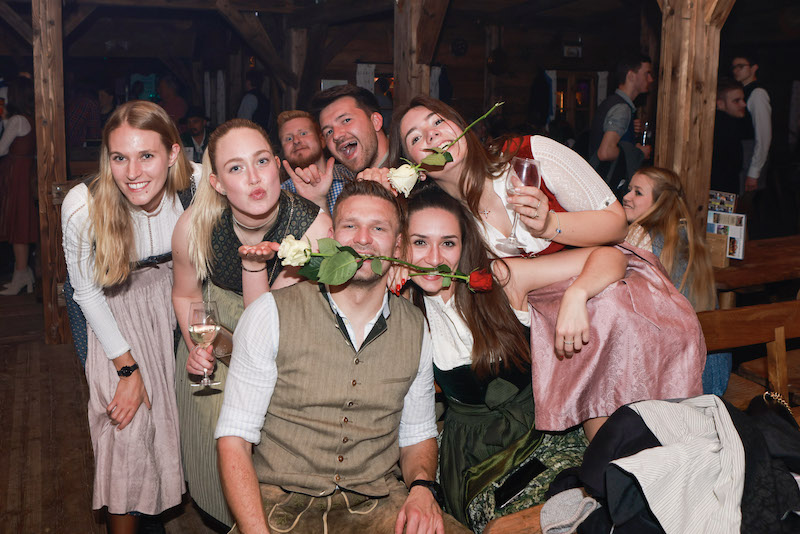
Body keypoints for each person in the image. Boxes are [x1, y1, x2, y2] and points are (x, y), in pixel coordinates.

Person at [404, 186, 706, 531]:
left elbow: (611, 257)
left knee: (618, 496)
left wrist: (577, 294)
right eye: (419, 242)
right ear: (401, 247)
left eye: (447, 243)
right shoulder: (405, 306)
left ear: (464, 245)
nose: (434, 258)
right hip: (481, 459)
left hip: (548, 434)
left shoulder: (500, 278)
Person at [214, 180, 471, 534]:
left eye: (378, 228)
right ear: (333, 237)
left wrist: (422, 489)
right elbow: (234, 439)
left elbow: (417, 434)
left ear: (397, 245)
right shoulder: (270, 314)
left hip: (378, 503)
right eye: (351, 226)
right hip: (278, 504)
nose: (363, 239)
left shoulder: (415, 328)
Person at [171, 118, 331, 526]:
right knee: (216, 429)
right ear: (218, 184)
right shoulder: (194, 226)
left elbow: (263, 323)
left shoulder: (313, 228)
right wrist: (198, 347)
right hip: (216, 327)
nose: (254, 177)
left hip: (286, 335)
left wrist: (254, 267)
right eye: (236, 167)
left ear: (278, 165)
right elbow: (187, 295)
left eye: (261, 161)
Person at [61, 101, 195, 533]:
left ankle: (154, 515)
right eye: (120, 158)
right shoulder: (84, 204)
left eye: (146, 155)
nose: (133, 172)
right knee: (127, 430)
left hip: (171, 302)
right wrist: (127, 368)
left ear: (172, 154)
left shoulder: (196, 187)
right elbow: (85, 292)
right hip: (109, 308)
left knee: (169, 421)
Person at [387, 95, 628, 259]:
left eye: (438, 121)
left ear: (461, 127)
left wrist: (549, 225)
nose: (431, 134)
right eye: (415, 138)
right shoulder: (440, 224)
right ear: (417, 171)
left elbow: (618, 226)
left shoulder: (531, 153)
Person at [623, 166, 731, 395]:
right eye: (629, 189)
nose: (626, 196)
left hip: (681, 383)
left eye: (637, 192)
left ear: (660, 202)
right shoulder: (691, 238)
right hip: (715, 374)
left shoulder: (640, 237)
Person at [587, 53, 654, 198]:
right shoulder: (622, 109)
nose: (651, 79)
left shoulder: (612, 102)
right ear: (631, 76)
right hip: (605, 191)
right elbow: (605, 152)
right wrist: (638, 152)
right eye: (647, 73)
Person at [0, 76, 38, 296]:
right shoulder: (30, 117)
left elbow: (2, 149)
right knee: (20, 223)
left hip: (17, 174)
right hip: (23, 173)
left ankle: (21, 274)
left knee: (18, 225)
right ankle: (22, 273)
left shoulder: (17, 119)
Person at [277, 109, 354, 213]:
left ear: (322, 140)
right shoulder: (279, 197)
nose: (296, 141)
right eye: (288, 139)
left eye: (303, 133)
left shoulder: (353, 176)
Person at [310, 83, 390, 174]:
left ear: (376, 121)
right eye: (329, 132)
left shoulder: (403, 168)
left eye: (346, 120)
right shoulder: (343, 178)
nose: (336, 136)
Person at [731, 53, 771, 194]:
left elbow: (763, 136)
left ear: (754, 68)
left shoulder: (757, 93)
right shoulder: (742, 91)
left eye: (740, 66)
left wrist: (754, 172)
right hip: (741, 154)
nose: (736, 70)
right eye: (734, 67)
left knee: (745, 201)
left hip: (750, 154)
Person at [711, 78, 751, 195]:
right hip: (721, 190)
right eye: (736, 101)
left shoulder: (719, 123)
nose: (744, 104)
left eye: (743, 99)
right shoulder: (727, 126)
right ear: (720, 104)